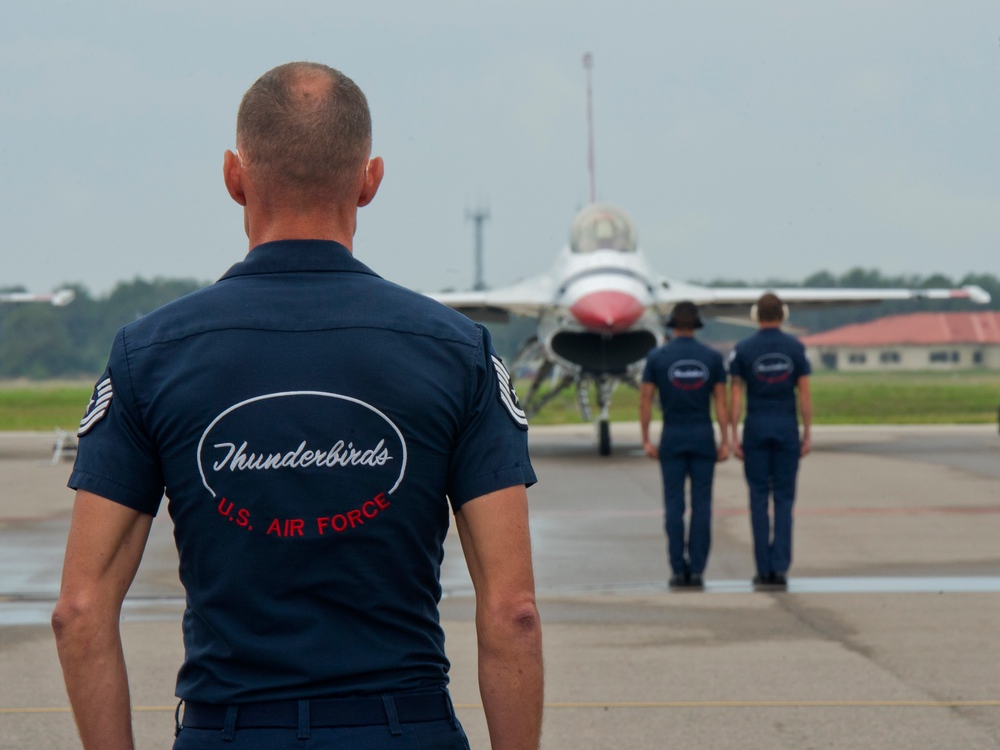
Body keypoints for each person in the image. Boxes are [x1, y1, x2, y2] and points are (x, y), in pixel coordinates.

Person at [52, 62, 543, 750]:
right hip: (403, 728)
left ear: (234, 177)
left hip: (231, 730)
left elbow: (79, 611)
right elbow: (513, 611)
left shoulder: (150, 353)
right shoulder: (455, 350)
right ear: (370, 181)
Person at [639, 301, 729, 589]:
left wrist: (645, 438)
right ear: (697, 325)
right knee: (702, 506)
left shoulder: (657, 357)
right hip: (702, 435)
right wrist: (725, 439)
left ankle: (678, 570)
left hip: (672, 436)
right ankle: (698, 570)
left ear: (672, 325)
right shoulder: (712, 358)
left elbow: (645, 400)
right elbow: (721, 402)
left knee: (674, 506)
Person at [728, 292, 812, 590]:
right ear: (784, 315)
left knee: (758, 499)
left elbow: (735, 395)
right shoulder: (796, 349)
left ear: (755, 316)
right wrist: (808, 432)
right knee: (784, 500)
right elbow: (804, 394)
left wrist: (732, 434)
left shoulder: (743, 349)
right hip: (786, 425)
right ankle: (780, 567)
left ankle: (762, 568)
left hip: (756, 426)